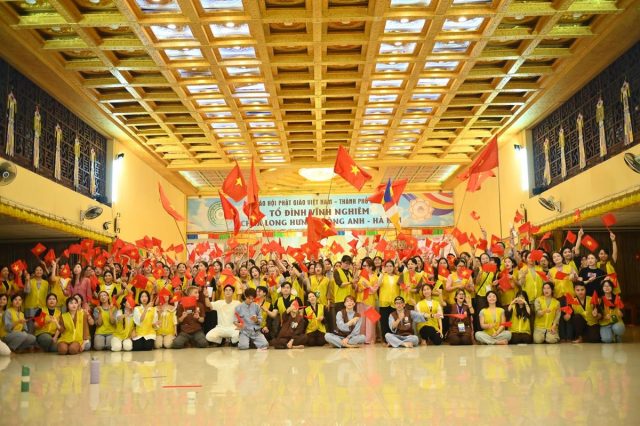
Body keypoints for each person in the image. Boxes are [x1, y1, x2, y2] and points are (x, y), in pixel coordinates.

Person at [377, 260, 399, 339]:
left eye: (390, 266)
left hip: (394, 303)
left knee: (393, 321)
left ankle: (393, 338)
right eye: (387, 266)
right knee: (384, 321)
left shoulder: (397, 277)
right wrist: (382, 274)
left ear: (393, 267)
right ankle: (385, 339)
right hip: (384, 302)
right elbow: (378, 284)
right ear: (385, 268)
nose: (389, 268)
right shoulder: (382, 276)